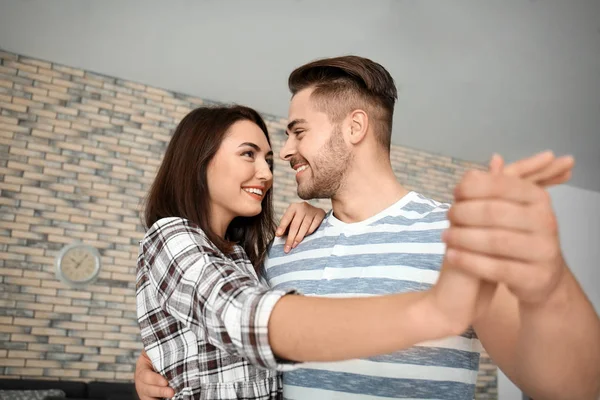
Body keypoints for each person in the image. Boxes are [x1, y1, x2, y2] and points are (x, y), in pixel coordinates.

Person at [136, 57, 600, 400]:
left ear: (354, 126)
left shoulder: (452, 235)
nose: (286, 151)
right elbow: (237, 328)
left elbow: (572, 388)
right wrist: (163, 366)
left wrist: (553, 283)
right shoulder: (283, 249)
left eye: (298, 131)